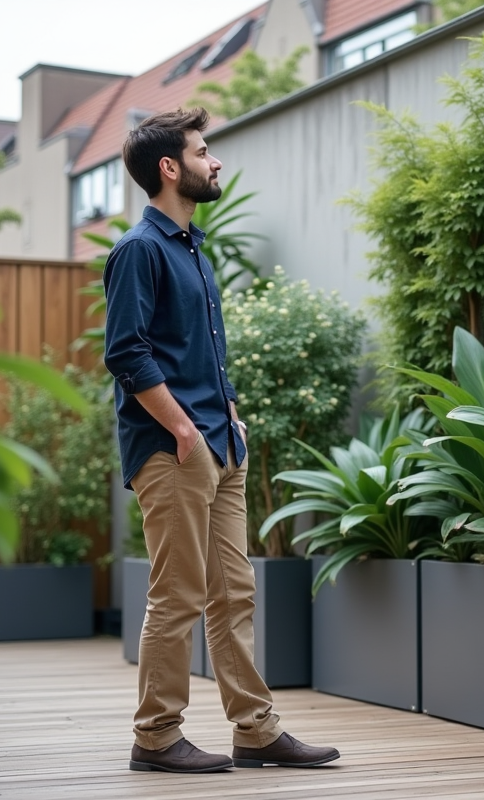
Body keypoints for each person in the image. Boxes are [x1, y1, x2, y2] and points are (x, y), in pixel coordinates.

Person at [103, 107, 339, 774]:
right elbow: (127, 352)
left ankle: (255, 729)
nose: (217, 163)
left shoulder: (190, 247)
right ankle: (155, 736)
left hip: (218, 443)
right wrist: (182, 429)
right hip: (173, 449)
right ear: (171, 167)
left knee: (234, 593)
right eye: (205, 152)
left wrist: (229, 415)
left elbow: (200, 350)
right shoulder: (139, 250)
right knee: (176, 595)